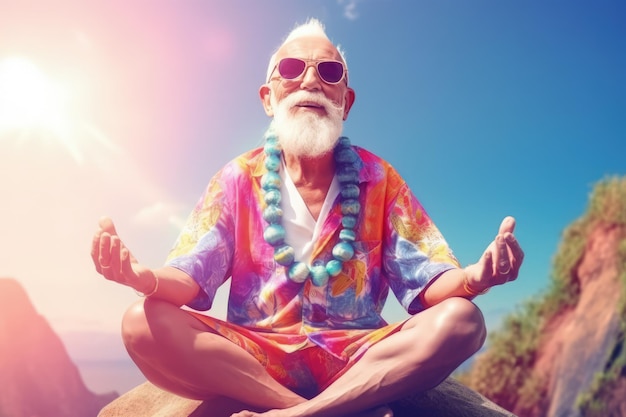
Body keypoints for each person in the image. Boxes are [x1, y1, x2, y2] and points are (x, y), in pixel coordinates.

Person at [91, 18, 523, 417]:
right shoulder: (238, 178)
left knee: (463, 320)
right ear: (268, 97)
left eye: (329, 73)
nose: (311, 80)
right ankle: (309, 407)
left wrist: (475, 279)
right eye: (293, 68)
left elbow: (429, 283)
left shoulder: (379, 178)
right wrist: (142, 278)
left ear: (345, 101)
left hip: (357, 354)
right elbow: (189, 275)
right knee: (141, 321)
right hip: (256, 353)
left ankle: (301, 415)